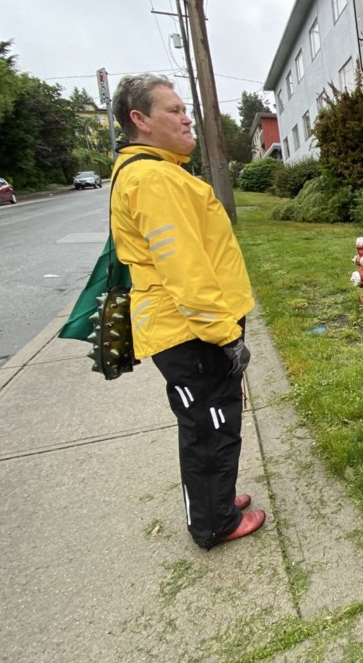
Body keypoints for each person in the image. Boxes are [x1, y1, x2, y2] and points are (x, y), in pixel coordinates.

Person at [110, 73, 265, 549]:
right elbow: (185, 269)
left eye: (184, 108)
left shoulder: (153, 170)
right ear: (140, 120)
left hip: (184, 327)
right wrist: (225, 335)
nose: (185, 116)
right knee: (211, 425)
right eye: (173, 110)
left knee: (205, 421)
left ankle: (214, 502)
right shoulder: (154, 178)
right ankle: (214, 524)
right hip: (191, 331)